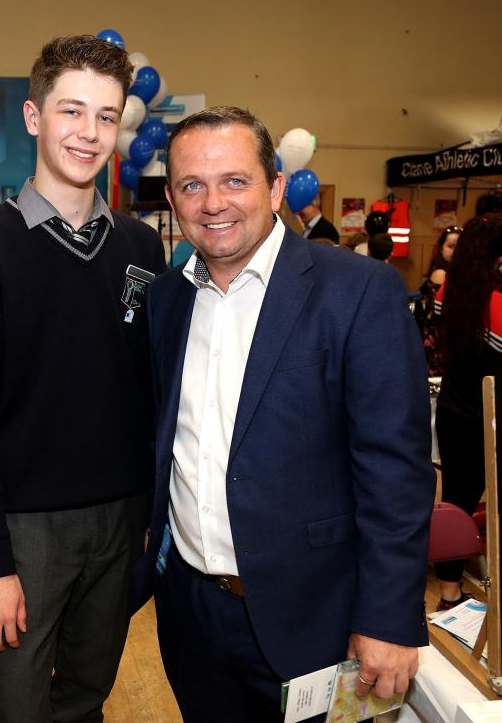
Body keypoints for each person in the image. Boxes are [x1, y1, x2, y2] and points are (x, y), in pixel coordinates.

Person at [131, 106, 435, 721]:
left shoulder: (357, 291)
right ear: (171, 197)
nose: (213, 202)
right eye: (193, 185)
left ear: (273, 186)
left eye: (235, 181)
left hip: (314, 618)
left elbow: (395, 472)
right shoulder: (165, 301)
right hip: (190, 611)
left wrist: (388, 616)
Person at [0, 35, 165, 723]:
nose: (89, 133)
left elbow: (146, 388)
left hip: (120, 519)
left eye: (104, 115)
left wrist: (149, 518)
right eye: (71, 111)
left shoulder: (139, 245)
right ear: (33, 118)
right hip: (24, 526)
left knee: (87, 693)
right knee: (18, 704)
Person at [433, 214, 502, 610]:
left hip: (453, 410)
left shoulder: (449, 294)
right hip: (488, 417)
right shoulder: (494, 305)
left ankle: (448, 593)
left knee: (456, 502)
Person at [414, 226, 461, 377]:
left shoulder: (455, 272)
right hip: (436, 339)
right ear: (441, 249)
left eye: (458, 247)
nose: (454, 251)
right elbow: (444, 312)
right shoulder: (441, 273)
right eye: (450, 246)